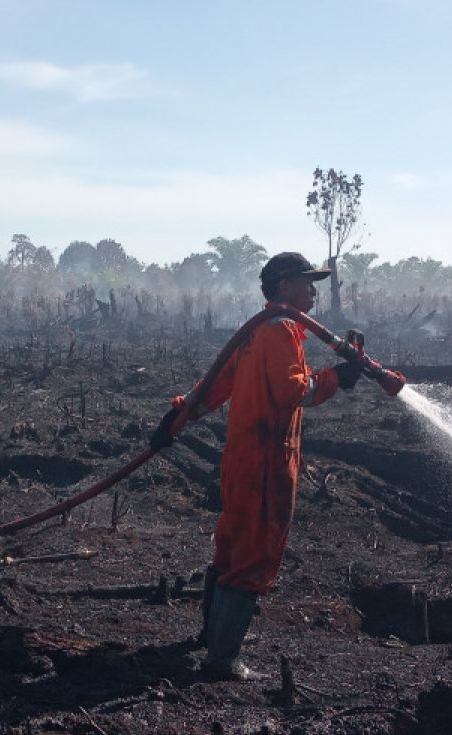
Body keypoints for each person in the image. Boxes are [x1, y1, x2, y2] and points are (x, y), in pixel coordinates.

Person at [150, 252, 363, 680]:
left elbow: (213, 387)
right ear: (284, 286)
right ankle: (223, 658)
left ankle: (211, 638)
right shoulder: (280, 331)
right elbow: (293, 392)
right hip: (267, 460)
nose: (314, 290)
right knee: (253, 552)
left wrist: (176, 418)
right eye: (307, 282)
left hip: (241, 458)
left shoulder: (257, 330)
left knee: (232, 543)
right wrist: (339, 378)